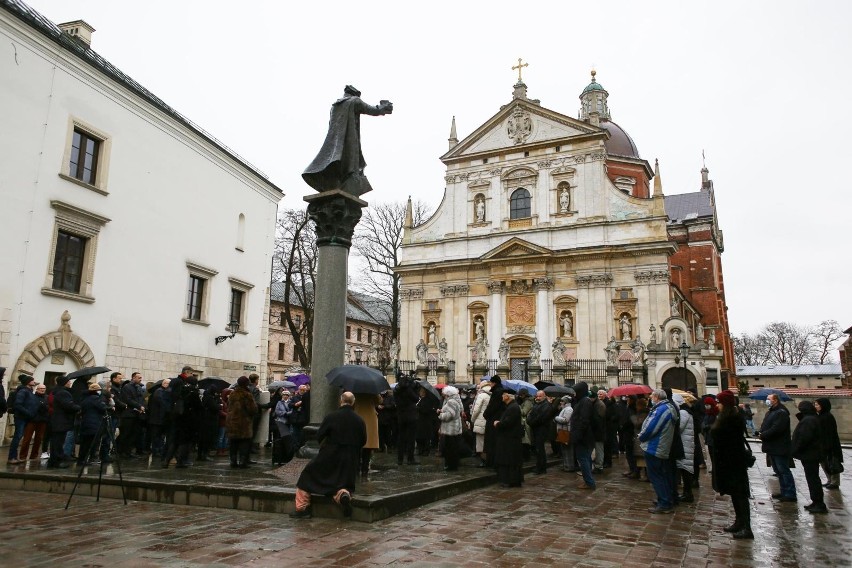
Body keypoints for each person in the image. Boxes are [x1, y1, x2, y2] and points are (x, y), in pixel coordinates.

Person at [302, 85, 393, 197]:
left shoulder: (335, 105)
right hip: (350, 141)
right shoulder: (354, 101)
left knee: (338, 164)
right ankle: (348, 183)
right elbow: (371, 110)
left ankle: (337, 183)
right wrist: (384, 107)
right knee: (352, 167)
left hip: (334, 144)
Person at [291, 392, 367, 519]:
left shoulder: (332, 417)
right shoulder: (359, 420)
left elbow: (320, 435)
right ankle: (343, 495)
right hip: (350, 458)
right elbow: (363, 440)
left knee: (306, 475)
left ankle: (302, 508)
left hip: (330, 455)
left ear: (341, 401)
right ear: (353, 402)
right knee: (343, 482)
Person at [711, 390, 753, 538]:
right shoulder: (726, 416)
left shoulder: (733, 418)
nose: (717, 405)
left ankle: (747, 527)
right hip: (727, 460)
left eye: (719, 402)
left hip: (733, 460)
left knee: (740, 494)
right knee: (735, 494)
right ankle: (739, 522)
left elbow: (728, 440)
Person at [639, 389, 677, 513]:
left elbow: (651, 427)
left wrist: (641, 436)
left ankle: (665, 502)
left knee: (656, 476)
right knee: (662, 474)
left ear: (657, 397)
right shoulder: (667, 407)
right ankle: (665, 498)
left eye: (652, 395)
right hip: (660, 446)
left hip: (655, 446)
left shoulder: (662, 410)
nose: (650, 397)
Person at [757, 393, 797, 502]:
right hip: (772, 446)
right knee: (778, 471)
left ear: (775, 400)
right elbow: (766, 425)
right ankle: (784, 491)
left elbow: (776, 428)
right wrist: (760, 432)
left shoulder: (781, 413)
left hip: (779, 446)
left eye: (768, 399)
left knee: (783, 470)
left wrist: (763, 435)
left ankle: (790, 493)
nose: (767, 400)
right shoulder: (772, 411)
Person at [791, 401, 827, 514]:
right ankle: (816, 501)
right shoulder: (810, 418)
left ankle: (819, 503)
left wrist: (795, 450)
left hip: (810, 454)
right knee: (812, 478)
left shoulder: (809, 420)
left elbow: (804, 438)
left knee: (813, 479)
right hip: (811, 454)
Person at [493, 389, 524, 487]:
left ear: (507, 396)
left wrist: (498, 423)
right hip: (509, 438)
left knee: (509, 460)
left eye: (503, 395)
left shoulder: (513, 407)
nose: (502, 397)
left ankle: (509, 481)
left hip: (510, 439)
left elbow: (508, 422)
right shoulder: (511, 406)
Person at [226, 376, 258, 468]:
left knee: (233, 443)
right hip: (244, 422)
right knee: (244, 442)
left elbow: (229, 406)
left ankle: (233, 461)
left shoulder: (232, 393)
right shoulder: (247, 394)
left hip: (232, 421)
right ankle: (243, 462)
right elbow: (252, 409)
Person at [47, 376, 79, 468]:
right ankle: (57, 461)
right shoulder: (63, 393)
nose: (70, 383)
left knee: (56, 441)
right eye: (68, 382)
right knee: (58, 442)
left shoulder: (58, 391)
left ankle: (54, 460)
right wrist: (78, 408)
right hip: (61, 421)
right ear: (65, 383)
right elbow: (68, 405)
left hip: (57, 420)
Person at [570, 381, 596, 490]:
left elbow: (584, 420)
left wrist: (578, 435)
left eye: (576, 392)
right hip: (583, 435)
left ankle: (589, 482)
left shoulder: (585, 402)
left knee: (583, 458)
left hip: (583, 436)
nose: (574, 394)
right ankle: (588, 481)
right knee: (585, 458)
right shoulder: (582, 401)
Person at [813, 398, 843, 490]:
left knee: (832, 463)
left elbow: (829, 433)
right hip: (822, 444)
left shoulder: (827, 417)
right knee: (824, 463)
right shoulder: (820, 416)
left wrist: (827, 445)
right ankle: (829, 480)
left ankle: (835, 482)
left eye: (817, 405)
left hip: (830, 445)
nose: (815, 406)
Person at [672, 393, 696, 503]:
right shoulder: (685, 412)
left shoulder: (683, 413)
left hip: (684, 444)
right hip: (685, 443)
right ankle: (686, 493)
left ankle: (688, 493)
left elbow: (679, 427)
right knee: (684, 469)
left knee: (685, 470)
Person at [7, 374, 36, 465]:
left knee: (19, 437)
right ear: (28, 382)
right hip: (21, 417)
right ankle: (12, 457)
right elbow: (18, 404)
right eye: (32, 380)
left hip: (25, 418)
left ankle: (15, 457)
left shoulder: (29, 391)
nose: (34, 381)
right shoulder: (23, 391)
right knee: (17, 437)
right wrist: (28, 413)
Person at [77, 382, 108, 465]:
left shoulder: (85, 398)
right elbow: (103, 408)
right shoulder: (95, 399)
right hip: (94, 424)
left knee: (85, 443)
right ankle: (90, 459)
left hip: (86, 423)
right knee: (92, 443)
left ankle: (82, 459)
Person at [118, 372, 146, 459]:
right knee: (126, 434)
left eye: (141, 377)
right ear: (133, 378)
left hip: (136, 414)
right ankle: (122, 452)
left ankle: (128, 452)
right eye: (139, 377)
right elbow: (128, 399)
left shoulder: (139, 387)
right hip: (128, 414)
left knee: (133, 434)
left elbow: (141, 399)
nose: (140, 379)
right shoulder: (127, 387)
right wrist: (139, 406)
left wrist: (142, 407)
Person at [393, 373, 419, 465]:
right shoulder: (408, 390)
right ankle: (410, 458)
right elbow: (416, 398)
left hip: (401, 416)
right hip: (411, 416)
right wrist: (415, 389)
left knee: (401, 438)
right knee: (411, 438)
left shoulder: (396, 391)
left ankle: (400, 459)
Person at [19, 382, 49, 461]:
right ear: (37, 389)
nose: (42, 390)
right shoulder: (32, 396)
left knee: (39, 439)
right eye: (41, 388)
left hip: (42, 420)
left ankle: (34, 456)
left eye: (44, 389)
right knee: (27, 439)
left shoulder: (47, 397)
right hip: (32, 419)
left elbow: (48, 408)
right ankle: (23, 456)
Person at [353, 392, 381, 475]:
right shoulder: (372, 390)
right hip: (370, 418)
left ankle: (356, 468)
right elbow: (379, 401)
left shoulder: (356, 390)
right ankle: (365, 469)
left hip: (358, 415)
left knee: (357, 446)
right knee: (368, 446)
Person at [526, 391, 554, 474]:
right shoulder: (537, 404)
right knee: (538, 449)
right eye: (537, 396)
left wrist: (531, 422)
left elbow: (541, 418)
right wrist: (529, 420)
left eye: (540, 396)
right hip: (535, 429)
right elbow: (531, 414)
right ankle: (539, 466)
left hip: (541, 430)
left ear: (544, 397)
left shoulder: (546, 406)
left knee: (540, 449)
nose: (537, 398)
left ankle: (541, 468)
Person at [437, 386, 463, 471]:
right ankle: (453, 465)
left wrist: (440, 415)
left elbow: (449, 415)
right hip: (455, 428)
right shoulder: (456, 400)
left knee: (450, 449)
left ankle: (451, 465)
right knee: (453, 448)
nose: (443, 395)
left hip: (450, 429)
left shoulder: (451, 402)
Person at [483, 375, 505, 468]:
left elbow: (492, 407)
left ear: (494, 383)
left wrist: (485, 414)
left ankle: (492, 462)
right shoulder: (499, 391)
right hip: (495, 419)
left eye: (491, 383)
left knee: (492, 442)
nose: (490, 385)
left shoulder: (497, 392)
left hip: (493, 419)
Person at [147, 379, 171, 458]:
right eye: (168, 384)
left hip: (160, 418)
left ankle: (159, 450)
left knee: (160, 436)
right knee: (156, 436)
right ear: (164, 384)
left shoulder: (162, 391)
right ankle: (156, 451)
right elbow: (162, 404)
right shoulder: (159, 391)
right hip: (157, 419)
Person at [470, 382, 490, 467]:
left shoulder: (481, 395)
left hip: (480, 421)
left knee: (481, 443)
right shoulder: (492, 394)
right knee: (488, 442)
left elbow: (476, 410)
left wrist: (472, 419)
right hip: (489, 421)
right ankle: (489, 460)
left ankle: (484, 461)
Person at [554, 395, 574, 472]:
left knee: (568, 450)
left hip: (566, 431)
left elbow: (565, 420)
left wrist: (556, 418)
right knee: (564, 450)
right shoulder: (564, 408)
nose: (561, 402)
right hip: (562, 431)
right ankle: (566, 465)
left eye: (562, 401)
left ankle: (569, 466)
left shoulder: (569, 409)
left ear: (566, 402)